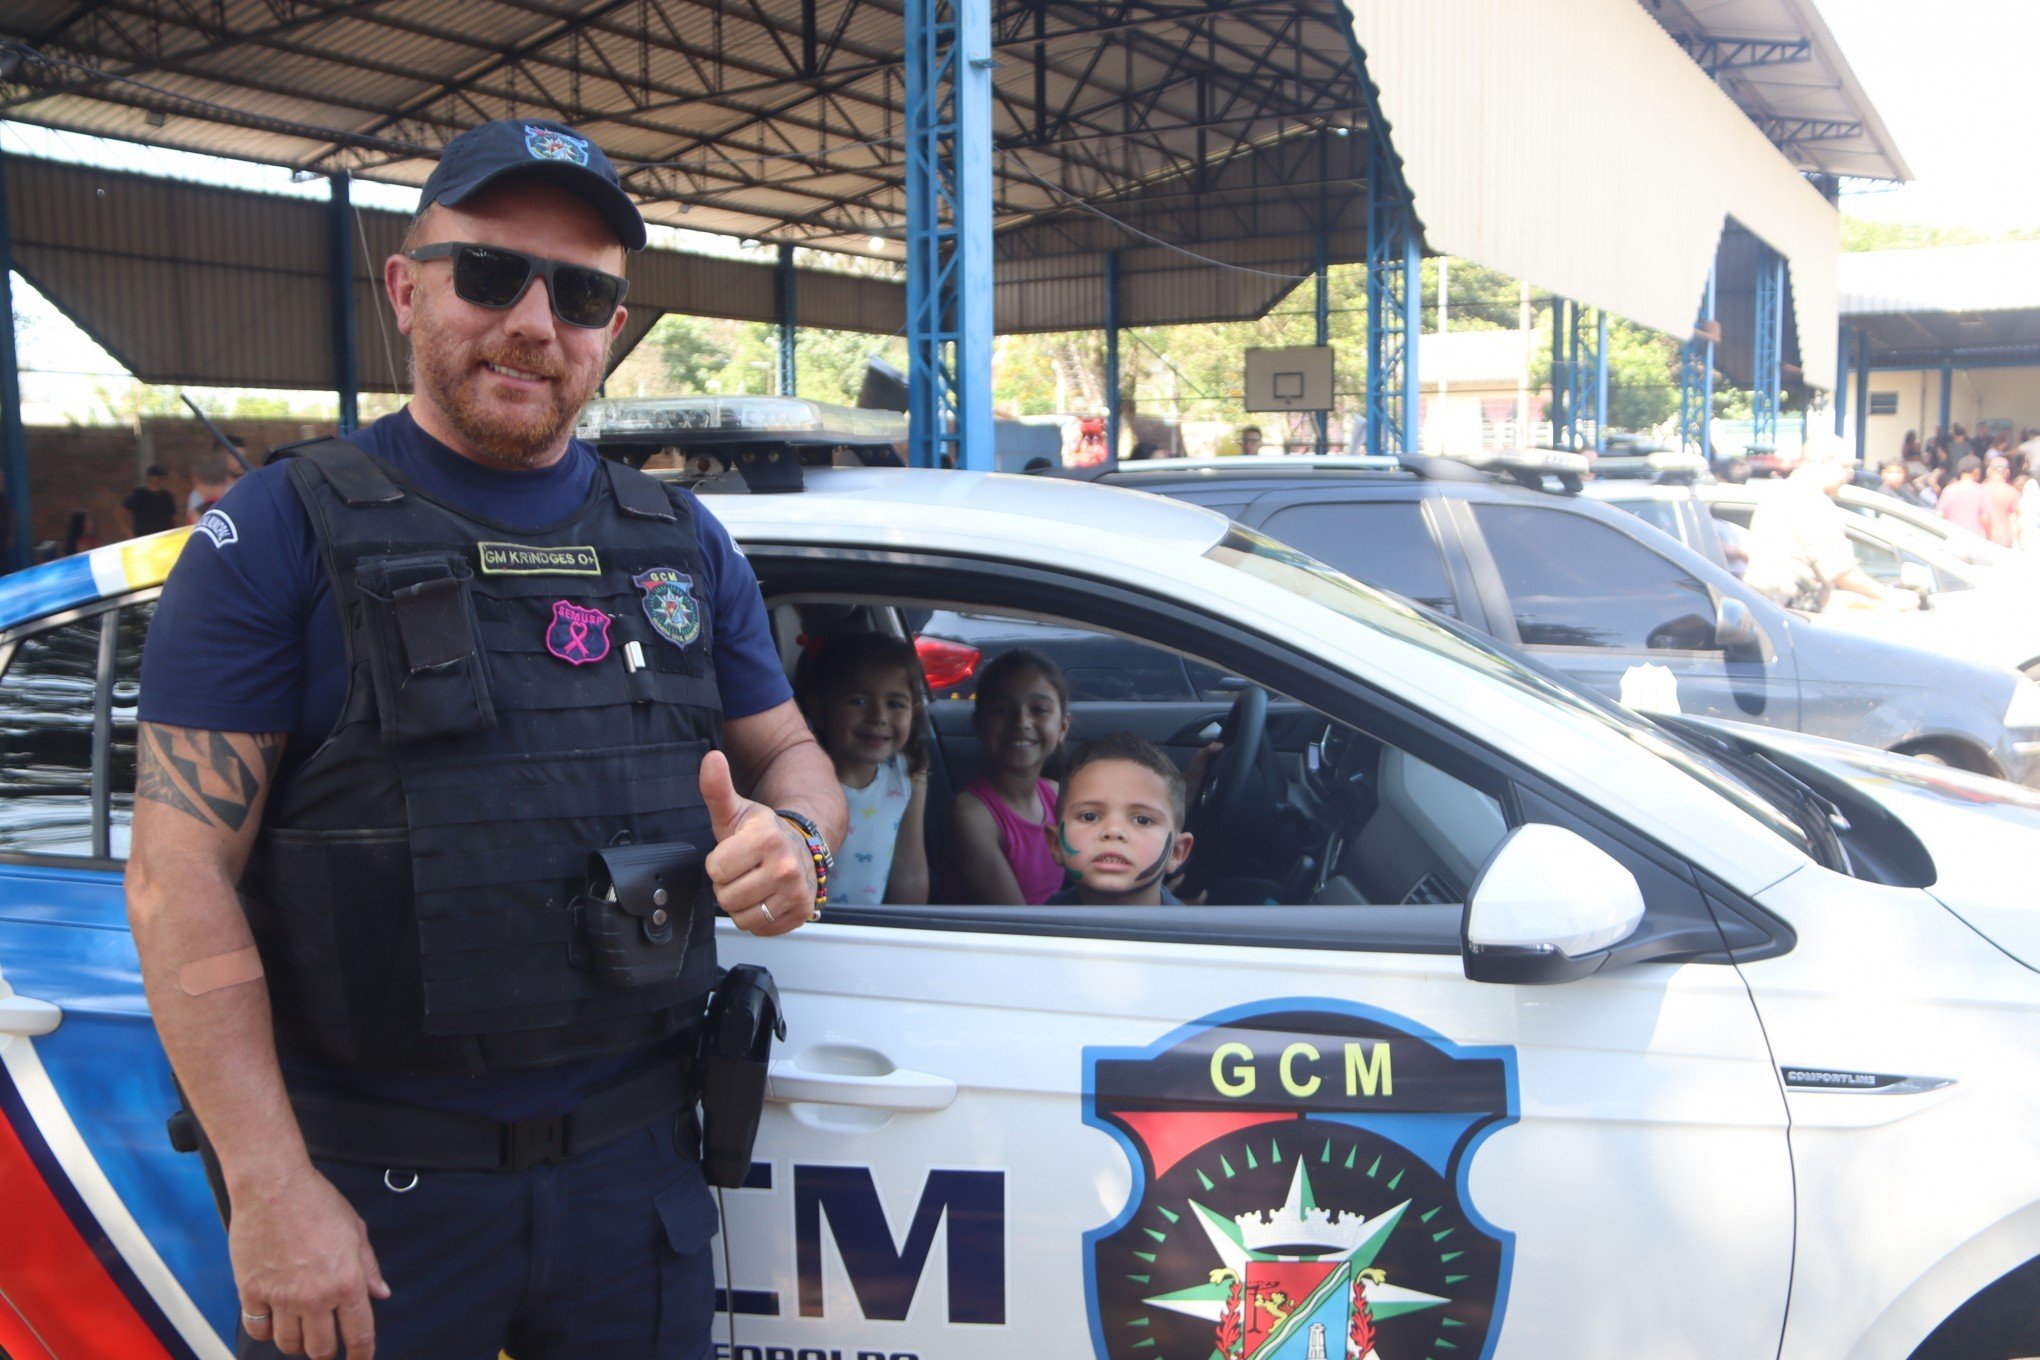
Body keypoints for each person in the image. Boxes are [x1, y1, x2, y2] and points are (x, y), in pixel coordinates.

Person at [125, 117, 844, 1360]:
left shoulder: (680, 540)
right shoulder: (280, 534)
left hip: (638, 1185)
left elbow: (793, 759)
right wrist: (272, 1187)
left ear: (612, 328)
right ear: (407, 288)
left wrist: (801, 843)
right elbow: (178, 874)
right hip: (375, 1200)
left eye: (579, 292)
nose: (533, 319)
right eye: (490, 273)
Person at [795, 632, 930, 906]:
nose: (878, 717)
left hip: (867, 933)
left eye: (894, 704)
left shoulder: (908, 775)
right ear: (819, 709)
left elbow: (910, 871)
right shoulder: (799, 776)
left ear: (913, 713)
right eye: (858, 701)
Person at [948, 647, 1070, 905]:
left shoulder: (1055, 794)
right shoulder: (971, 814)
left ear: (1062, 727)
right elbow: (1017, 920)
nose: (1021, 721)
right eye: (1001, 710)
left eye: (1038, 709)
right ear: (978, 724)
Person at [1045, 733, 1194, 907]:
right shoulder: (1042, 921)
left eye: (1142, 820)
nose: (1114, 830)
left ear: (1177, 852)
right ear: (1055, 844)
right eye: (1089, 817)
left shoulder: (1187, 932)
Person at [1741, 459, 1899, 611]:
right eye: (1845, 467)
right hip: (1794, 608)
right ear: (1821, 462)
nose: (1850, 475)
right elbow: (1841, 572)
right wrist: (1890, 597)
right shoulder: (1813, 502)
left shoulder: (1776, 493)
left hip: (1765, 604)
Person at [1937, 454, 1988, 537]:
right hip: (1975, 540)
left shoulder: (1949, 490)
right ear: (1976, 471)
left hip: (1952, 537)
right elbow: (1985, 519)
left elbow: (1940, 515)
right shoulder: (1981, 491)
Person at [122, 464, 178, 537]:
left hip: (165, 538)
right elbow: (120, 512)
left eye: (162, 476)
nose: (161, 478)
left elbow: (173, 518)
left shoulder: (167, 496)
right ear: (150, 477)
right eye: (157, 476)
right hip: (145, 538)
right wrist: (128, 533)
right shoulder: (139, 494)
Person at [1980, 454, 2021, 547]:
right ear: (2007, 473)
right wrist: (2017, 543)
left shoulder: (1980, 490)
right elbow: (2014, 521)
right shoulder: (2012, 492)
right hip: (2004, 541)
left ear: (1989, 471)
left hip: (1982, 540)